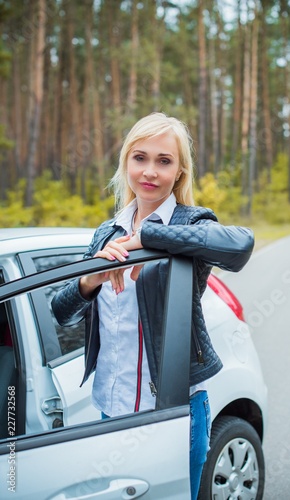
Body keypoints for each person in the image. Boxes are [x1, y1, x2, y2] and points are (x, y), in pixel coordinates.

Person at [52, 112, 254, 499]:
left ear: (179, 171)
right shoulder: (105, 233)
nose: (150, 171)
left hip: (173, 410)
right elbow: (62, 313)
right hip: (110, 409)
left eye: (164, 161)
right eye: (139, 157)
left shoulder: (191, 223)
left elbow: (240, 245)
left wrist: (146, 237)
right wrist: (90, 277)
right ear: (126, 161)